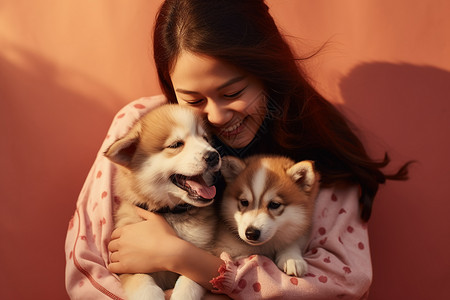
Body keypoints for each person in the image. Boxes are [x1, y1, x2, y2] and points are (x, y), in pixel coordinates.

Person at [65, 0, 411, 299]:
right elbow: (86, 268)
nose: (215, 116)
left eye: (232, 93)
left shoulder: (318, 151)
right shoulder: (140, 125)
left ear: (267, 72)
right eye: (193, 99)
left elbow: (345, 282)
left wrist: (190, 261)